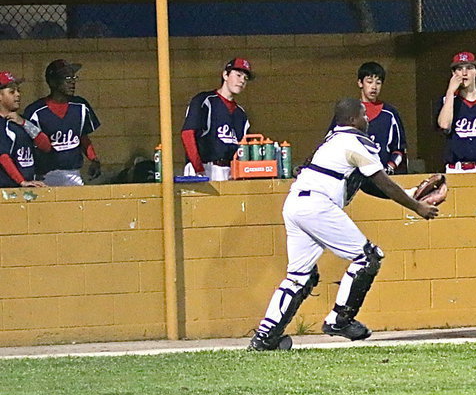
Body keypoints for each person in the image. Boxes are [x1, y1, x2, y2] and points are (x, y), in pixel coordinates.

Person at [248, 97, 439, 352]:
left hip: (295, 204)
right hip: (318, 205)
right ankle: (340, 320)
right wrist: (417, 207)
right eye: (363, 114)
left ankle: (265, 337)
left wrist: (412, 192)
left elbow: (367, 184)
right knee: (368, 257)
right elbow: (382, 181)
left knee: (299, 277)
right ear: (352, 120)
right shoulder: (357, 141)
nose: (367, 118)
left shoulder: (331, 139)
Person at [22, 59, 101, 186]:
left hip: (72, 173)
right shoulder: (35, 111)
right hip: (44, 175)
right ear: (53, 82)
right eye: (66, 77)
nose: (72, 82)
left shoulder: (80, 106)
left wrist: (94, 159)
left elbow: (82, 136)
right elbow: (26, 145)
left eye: (73, 77)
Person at [328, 62, 407, 173]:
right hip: (352, 177)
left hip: (382, 178)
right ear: (360, 83)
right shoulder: (347, 112)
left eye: (378, 83)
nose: (374, 87)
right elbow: (330, 143)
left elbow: (399, 150)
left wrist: (390, 167)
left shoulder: (390, 114)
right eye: (369, 82)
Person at [181, 58, 253, 181]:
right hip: (204, 166)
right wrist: (198, 167)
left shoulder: (241, 114)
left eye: (245, 78)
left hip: (230, 170)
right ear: (225, 75)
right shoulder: (204, 100)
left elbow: (243, 148)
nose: (242, 81)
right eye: (238, 75)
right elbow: (187, 134)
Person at [0, 71, 49, 188]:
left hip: (24, 186)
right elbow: (3, 157)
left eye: (18, 91)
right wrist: (21, 181)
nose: (17, 95)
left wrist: (23, 123)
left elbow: (46, 146)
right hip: (6, 188)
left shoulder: (22, 121)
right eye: (12, 92)